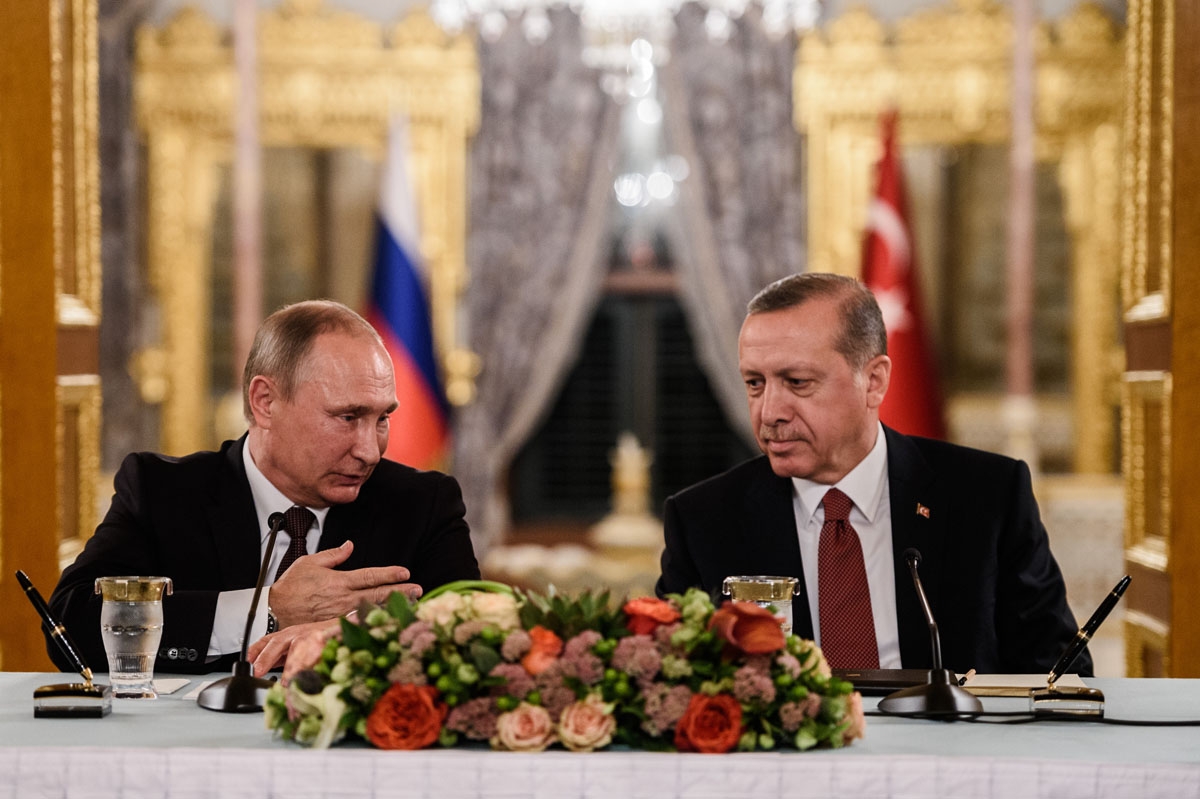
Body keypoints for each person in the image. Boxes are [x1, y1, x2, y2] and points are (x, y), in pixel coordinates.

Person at [655, 273, 1090, 676]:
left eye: (798, 382)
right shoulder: (704, 521)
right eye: (755, 383)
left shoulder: (986, 497)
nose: (769, 412)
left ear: (875, 381)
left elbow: (1058, 673)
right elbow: (669, 683)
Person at [48, 299, 479, 676]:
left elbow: (478, 641)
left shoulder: (422, 504)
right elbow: (70, 627)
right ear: (265, 402)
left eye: (382, 419)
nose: (369, 451)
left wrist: (357, 635)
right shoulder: (163, 492)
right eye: (348, 417)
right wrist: (269, 612)